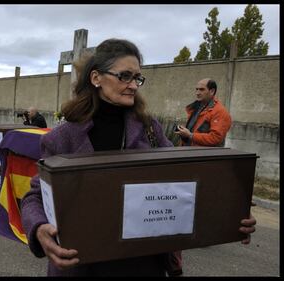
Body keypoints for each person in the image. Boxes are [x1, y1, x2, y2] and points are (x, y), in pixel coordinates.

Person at [20, 39, 256, 277]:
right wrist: (39, 228)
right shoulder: (63, 137)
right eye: (125, 76)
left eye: (137, 78)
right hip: (83, 266)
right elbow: (36, 196)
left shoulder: (149, 128)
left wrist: (231, 210)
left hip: (143, 265)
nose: (133, 85)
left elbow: (183, 181)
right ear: (96, 78)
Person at [175, 78, 231, 147]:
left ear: (212, 91)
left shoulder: (220, 112)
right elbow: (193, 132)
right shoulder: (197, 107)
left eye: (202, 89)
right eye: (196, 89)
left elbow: (215, 138)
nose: (197, 93)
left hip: (204, 156)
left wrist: (190, 135)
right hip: (189, 152)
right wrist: (184, 133)